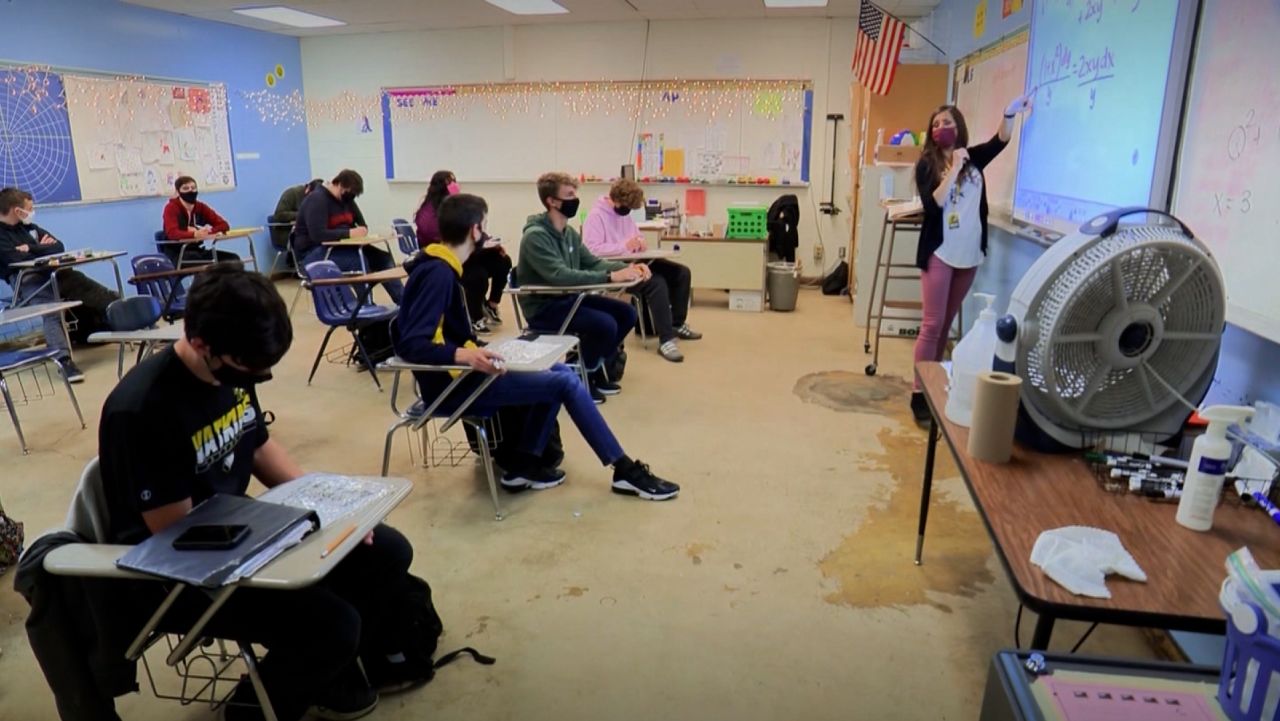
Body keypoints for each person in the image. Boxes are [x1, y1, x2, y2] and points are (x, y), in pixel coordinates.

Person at [98, 266, 428, 721]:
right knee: (333, 626)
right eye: (250, 370)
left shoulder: (231, 369)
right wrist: (289, 537)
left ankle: (327, 674)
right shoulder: (144, 408)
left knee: (385, 551)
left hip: (240, 527)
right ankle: (251, 710)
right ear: (201, 344)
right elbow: (176, 531)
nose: (257, 378)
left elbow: (258, 446)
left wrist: (326, 510)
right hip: (179, 570)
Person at [393, 193, 679, 501]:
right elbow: (412, 344)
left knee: (553, 368)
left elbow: (440, 334)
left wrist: (477, 348)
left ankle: (525, 464)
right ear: (475, 230)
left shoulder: (439, 268)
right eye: (485, 225)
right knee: (565, 382)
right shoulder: (438, 274)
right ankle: (623, 470)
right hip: (453, 385)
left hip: (460, 373)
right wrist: (464, 354)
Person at [910, 93, 1032, 423]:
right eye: (935, 124)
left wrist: (1009, 113)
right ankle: (919, 392)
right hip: (939, 252)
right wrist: (955, 167)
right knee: (932, 325)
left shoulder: (974, 157)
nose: (941, 128)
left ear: (958, 126)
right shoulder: (927, 165)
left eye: (947, 122)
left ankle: (935, 382)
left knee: (946, 325)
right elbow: (933, 203)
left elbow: (1000, 141)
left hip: (968, 254)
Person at [516, 172, 648, 401]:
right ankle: (581, 377)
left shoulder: (569, 234)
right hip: (544, 306)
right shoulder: (535, 237)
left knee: (626, 314)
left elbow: (593, 261)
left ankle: (588, 367)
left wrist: (631, 267)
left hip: (568, 298)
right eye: (568, 194)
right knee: (604, 325)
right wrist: (610, 277)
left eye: (575, 193)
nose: (574, 199)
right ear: (551, 201)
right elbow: (559, 276)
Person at [0, 188, 122, 383]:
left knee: (90, 288)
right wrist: (42, 248)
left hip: (53, 271)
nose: (32, 212)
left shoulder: (28, 228)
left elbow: (58, 247)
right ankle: (64, 361)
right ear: (17, 211)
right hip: (26, 279)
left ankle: (133, 321)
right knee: (52, 311)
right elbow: (12, 259)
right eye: (29, 208)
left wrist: (31, 247)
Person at [582, 178, 701, 363]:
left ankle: (677, 324)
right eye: (626, 206)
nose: (627, 211)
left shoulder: (624, 215)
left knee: (681, 273)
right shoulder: (596, 216)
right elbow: (592, 250)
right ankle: (666, 340)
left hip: (635, 260)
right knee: (656, 283)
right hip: (615, 268)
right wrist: (624, 246)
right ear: (615, 199)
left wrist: (640, 241)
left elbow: (635, 235)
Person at [415, 170, 511, 335]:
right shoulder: (428, 214)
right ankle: (475, 317)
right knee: (477, 275)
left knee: (502, 260)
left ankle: (492, 305)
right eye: (450, 182)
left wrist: (489, 243)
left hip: (469, 253)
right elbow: (448, 239)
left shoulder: (457, 206)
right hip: (445, 258)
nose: (455, 185)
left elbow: (473, 227)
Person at [293, 169, 403, 304]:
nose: (350, 197)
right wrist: (349, 233)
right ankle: (366, 309)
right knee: (358, 262)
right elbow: (318, 235)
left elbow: (362, 224)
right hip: (313, 254)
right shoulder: (317, 200)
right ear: (338, 184)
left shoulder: (347, 200)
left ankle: (404, 303)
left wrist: (361, 231)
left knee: (383, 258)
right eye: (348, 192)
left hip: (340, 248)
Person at [161, 176, 237, 266]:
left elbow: (224, 225)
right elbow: (172, 233)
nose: (191, 191)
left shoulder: (200, 206)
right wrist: (194, 234)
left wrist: (208, 232)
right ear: (178, 192)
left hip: (197, 250)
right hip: (179, 254)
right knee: (214, 264)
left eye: (193, 188)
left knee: (233, 259)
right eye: (186, 188)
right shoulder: (171, 208)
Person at [270, 178, 323, 250]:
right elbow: (279, 215)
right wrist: (302, 214)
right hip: (285, 232)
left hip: (306, 232)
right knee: (314, 242)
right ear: (308, 189)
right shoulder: (292, 193)